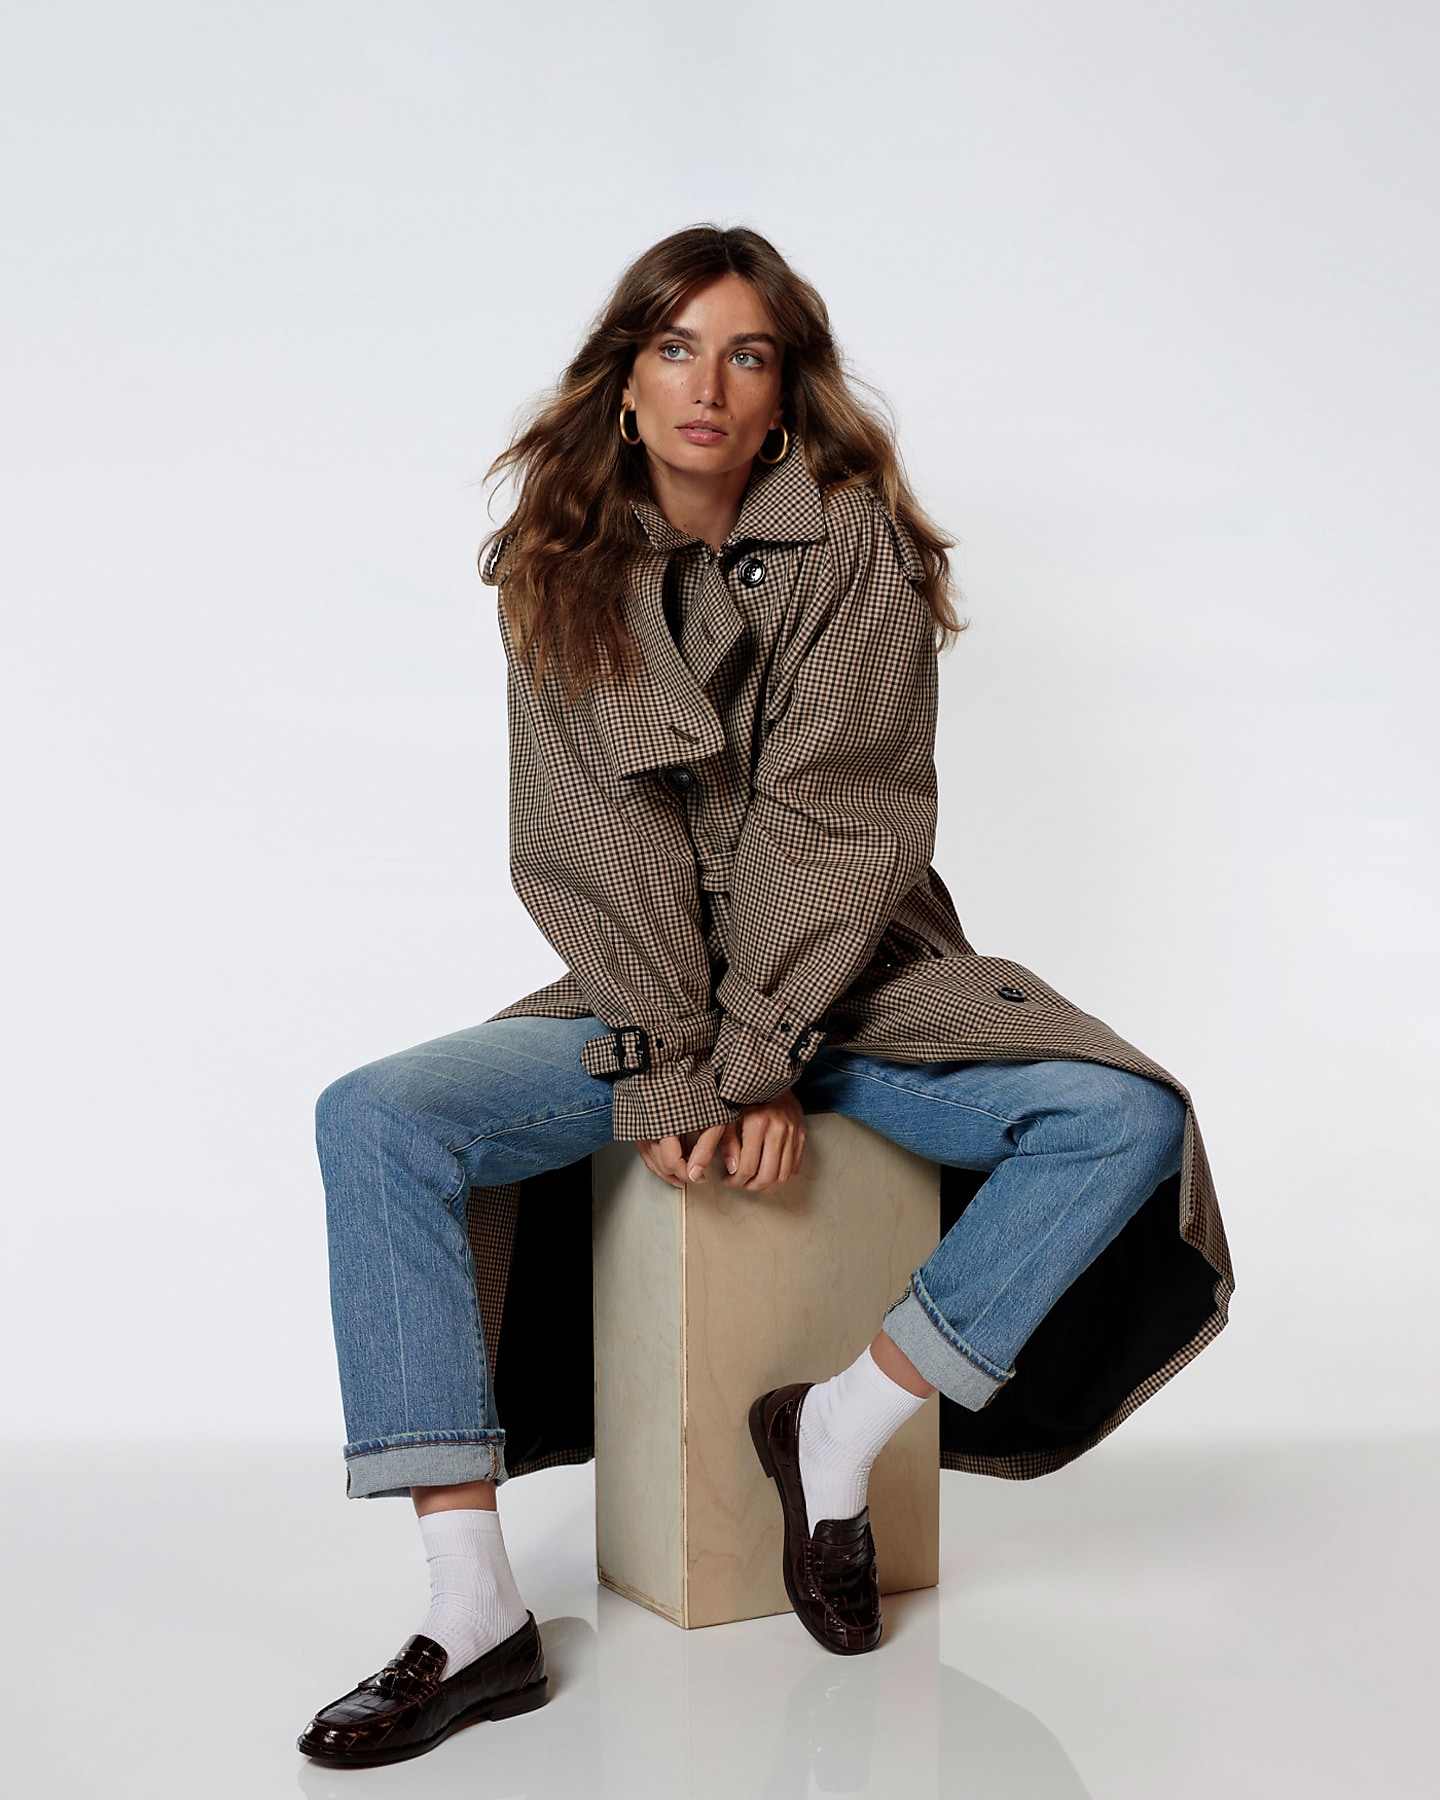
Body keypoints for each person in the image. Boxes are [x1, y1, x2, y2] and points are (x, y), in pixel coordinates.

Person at [297, 225, 1231, 1768]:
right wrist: (682, 1064)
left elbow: (839, 817)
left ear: (788, 387)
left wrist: (757, 1060)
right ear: (625, 381)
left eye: (747, 352)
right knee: (375, 1120)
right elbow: (587, 837)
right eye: (676, 349)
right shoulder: (562, 557)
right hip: (645, 999)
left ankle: (840, 1427)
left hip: (857, 986)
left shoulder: (851, 544)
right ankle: (473, 1613)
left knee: (1121, 1116)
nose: (709, 386)